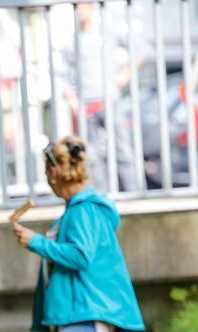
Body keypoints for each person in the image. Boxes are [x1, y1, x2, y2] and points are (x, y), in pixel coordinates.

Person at [11, 136, 144, 332]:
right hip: (81, 313)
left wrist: (37, 241)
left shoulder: (83, 210)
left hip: (82, 315)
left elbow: (81, 256)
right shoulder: (79, 209)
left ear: (52, 171)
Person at [54, 2, 151, 194]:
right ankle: (101, 197)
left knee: (123, 150)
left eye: (84, 6)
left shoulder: (108, 33)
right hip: (85, 105)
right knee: (90, 156)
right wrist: (72, 99)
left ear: (92, 8)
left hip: (109, 100)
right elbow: (63, 75)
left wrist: (127, 71)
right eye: (77, 7)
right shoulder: (71, 43)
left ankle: (136, 193)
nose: (81, 11)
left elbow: (143, 49)